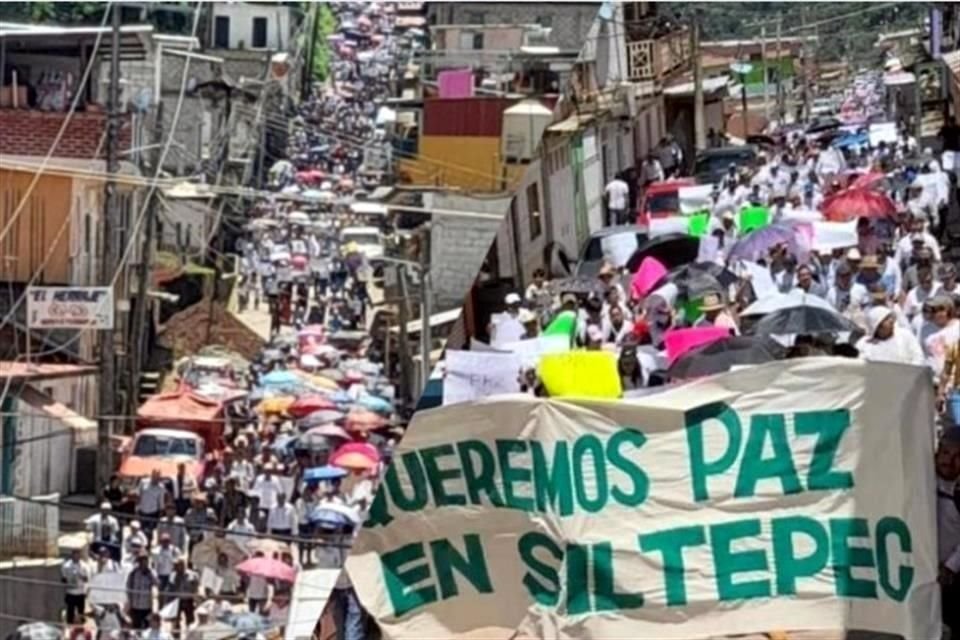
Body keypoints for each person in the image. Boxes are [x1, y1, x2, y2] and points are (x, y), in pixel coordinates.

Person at [936, 429, 960, 634]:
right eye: (944, 453)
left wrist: (951, 567)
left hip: (953, 572)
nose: (947, 461)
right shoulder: (927, 480)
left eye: (955, 456)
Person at [855, 306, 925, 366]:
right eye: (886, 319)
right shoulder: (864, 344)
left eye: (890, 317)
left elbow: (918, 358)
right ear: (877, 326)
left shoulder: (905, 335)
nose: (891, 321)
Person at [126, 550, 158, 630]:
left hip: (146, 607)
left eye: (145, 560)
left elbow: (156, 585)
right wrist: (129, 603)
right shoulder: (133, 573)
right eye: (141, 560)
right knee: (135, 628)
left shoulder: (151, 573)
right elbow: (128, 587)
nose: (143, 562)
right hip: (135, 606)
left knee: (146, 629)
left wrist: (149, 574)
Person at [61, 547, 90, 625]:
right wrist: (69, 580)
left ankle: (80, 629)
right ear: (72, 555)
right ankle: (70, 629)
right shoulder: (66, 566)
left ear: (80, 555)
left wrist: (81, 576)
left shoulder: (84, 566)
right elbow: (63, 579)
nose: (76, 556)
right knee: (70, 614)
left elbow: (87, 579)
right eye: (74, 554)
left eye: (78, 554)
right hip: (70, 592)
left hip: (80, 593)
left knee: (81, 613)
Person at [137, 470, 168, 543]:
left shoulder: (161, 487)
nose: (156, 479)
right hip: (142, 510)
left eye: (158, 477)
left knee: (150, 530)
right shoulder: (143, 482)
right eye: (155, 477)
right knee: (142, 530)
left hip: (153, 512)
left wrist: (161, 512)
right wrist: (137, 507)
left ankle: (148, 544)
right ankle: (143, 544)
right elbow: (139, 494)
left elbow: (161, 501)